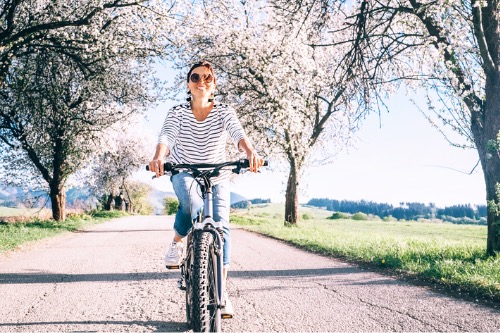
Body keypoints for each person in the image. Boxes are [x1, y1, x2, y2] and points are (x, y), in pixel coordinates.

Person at [148, 60, 264, 318]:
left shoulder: (224, 112)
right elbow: (166, 137)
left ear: (214, 84)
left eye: (207, 78)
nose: (202, 82)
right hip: (184, 170)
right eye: (196, 77)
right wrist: (158, 157)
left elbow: (238, 134)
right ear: (188, 84)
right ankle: (178, 242)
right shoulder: (177, 112)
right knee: (192, 204)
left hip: (218, 173)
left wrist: (250, 152)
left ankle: (221, 292)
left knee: (221, 225)